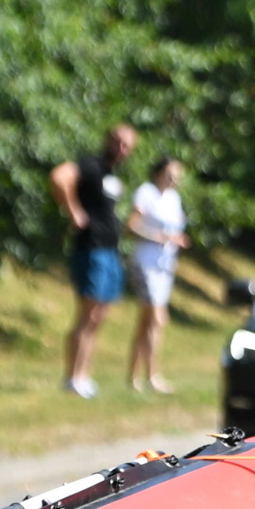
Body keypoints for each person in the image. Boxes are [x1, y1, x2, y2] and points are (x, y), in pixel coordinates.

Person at [50, 124, 135, 399]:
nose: (123, 149)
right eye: (119, 142)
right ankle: (72, 377)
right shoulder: (91, 164)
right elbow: (59, 177)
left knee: (99, 316)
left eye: (128, 145)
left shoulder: (111, 174)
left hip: (110, 251)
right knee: (87, 315)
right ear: (109, 140)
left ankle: (84, 375)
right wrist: (73, 210)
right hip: (91, 249)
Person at [125, 157, 188, 393]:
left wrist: (176, 240)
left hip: (165, 266)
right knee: (157, 318)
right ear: (159, 172)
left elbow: (175, 228)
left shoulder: (173, 199)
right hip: (145, 264)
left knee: (147, 323)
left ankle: (134, 377)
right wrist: (159, 237)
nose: (175, 180)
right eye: (171, 174)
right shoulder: (146, 193)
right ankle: (152, 376)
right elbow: (132, 225)